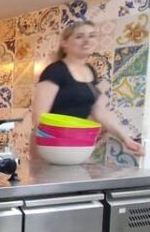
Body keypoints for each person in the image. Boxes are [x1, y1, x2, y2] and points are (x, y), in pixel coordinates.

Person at [33, 20, 143, 156]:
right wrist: (58, 144)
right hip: (52, 145)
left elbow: (100, 112)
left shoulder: (90, 71)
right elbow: (39, 117)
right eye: (79, 36)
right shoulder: (55, 70)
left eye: (92, 36)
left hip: (78, 143)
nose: (87, 41)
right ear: (64, 43)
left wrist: (126, 139)